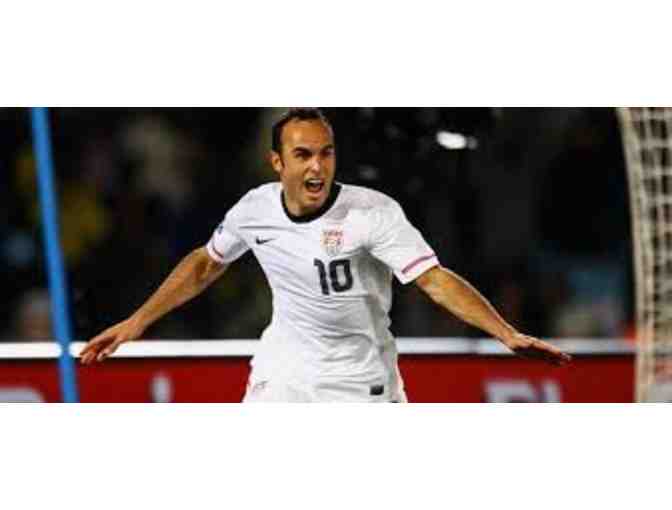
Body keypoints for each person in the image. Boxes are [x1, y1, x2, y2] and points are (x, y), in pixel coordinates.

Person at [80, 108, 571, 402]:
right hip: (285, 375)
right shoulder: (254, 209)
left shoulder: (372, 212)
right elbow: (206, 263)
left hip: (360, 383)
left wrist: (505, 333)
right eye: (303, 155)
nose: (317, 166)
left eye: (326, 152)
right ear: (277, 162)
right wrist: (136, 322)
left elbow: (434, 280)